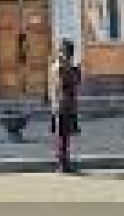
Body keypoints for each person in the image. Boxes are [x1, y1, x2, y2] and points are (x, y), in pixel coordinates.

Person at [47, 38, 82, 174]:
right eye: (68, 51)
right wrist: (75, 71)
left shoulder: (62, 66)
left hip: (64, 104)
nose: (69, 54)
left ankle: (64, 162)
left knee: (64, 136)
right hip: (63, 105)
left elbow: (75, 83)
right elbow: (64, 84)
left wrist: (75, 70)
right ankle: (62, 164)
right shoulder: (60, 67)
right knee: (62, 136)